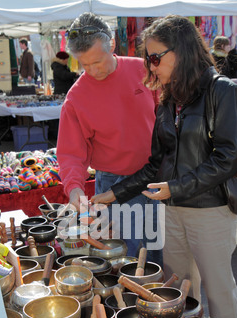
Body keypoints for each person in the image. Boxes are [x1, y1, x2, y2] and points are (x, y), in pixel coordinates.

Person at [91, 15, 237, 318]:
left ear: (182, 51)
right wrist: (113, 194)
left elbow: (229, 157)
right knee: (177, 293)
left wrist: (176, 187)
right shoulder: (167, 100)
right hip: (172, 210)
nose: (150, 66)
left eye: (155, 57)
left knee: (219, 293)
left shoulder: (222, 91)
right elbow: (155, 165)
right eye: (147, 58)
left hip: (209, 210)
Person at [56, 13, 163, 263]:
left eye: (98, 61)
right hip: (114, 186)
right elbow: (71, 153)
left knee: (160, 252)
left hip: (157, 176)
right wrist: (74, 190)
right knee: (126, 257)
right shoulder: (76, 98)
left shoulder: (142, 69)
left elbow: (166, 117)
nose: (93, 70)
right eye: (84, 65)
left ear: (112, 44)